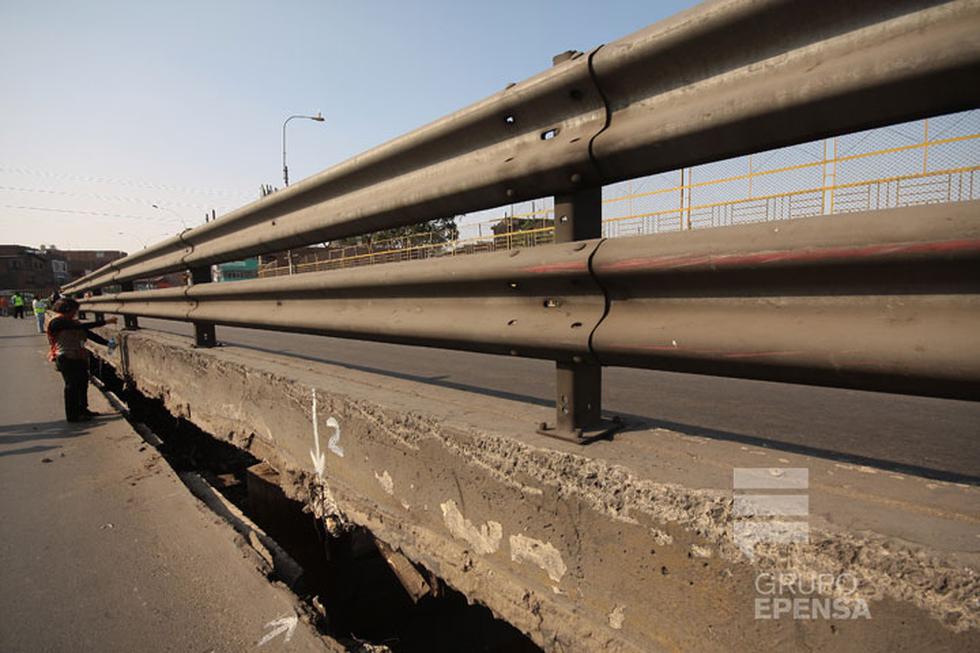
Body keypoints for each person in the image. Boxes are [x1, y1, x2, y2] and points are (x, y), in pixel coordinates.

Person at [46, 298, 117, 422]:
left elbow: (89, 334)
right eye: (74, 310)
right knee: (71, 386)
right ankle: (72, 415)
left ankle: (83, 409)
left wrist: (107, 343)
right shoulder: (57, 322)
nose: (75, 313)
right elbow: (83, 326)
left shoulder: (73, 323)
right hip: (65, 358)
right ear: (67, 309)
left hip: (79, 357)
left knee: (82, 384)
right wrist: (105, 321)